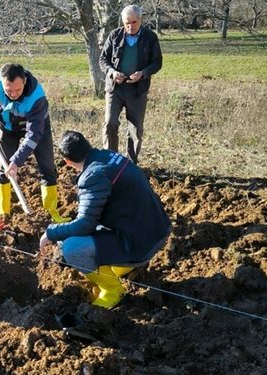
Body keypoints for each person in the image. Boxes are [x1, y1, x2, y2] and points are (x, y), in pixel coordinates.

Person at [39, 131, 171, 309]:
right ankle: (116, 270)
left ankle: (112, 290)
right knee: (80, 234)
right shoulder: (110, 156)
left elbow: (85, 224)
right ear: (88, 145)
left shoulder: (92, 177)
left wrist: (51, 232)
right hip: (156, 228)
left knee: (71, 248)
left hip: (141, 244)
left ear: (68, 162)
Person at [0, 63, 69, 223]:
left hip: (36, 128)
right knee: (3, 168)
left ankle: (50, 215)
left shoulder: (37, 97)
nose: (13, 94)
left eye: (17, 90)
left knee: (47, 168)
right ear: (2, 83)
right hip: (8, 126)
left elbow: (33, 135)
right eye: (8, 90)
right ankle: (4, 213)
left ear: (24, 82)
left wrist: (17, 161)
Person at [99, 5, 162, 164]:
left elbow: (157, 62)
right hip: (115, 88)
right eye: (127, 22)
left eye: (134, 22)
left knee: (135, 129)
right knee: (110, 123)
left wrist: (143, 73)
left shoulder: (150, 37)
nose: (130, 26)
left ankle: (130, 164)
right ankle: (111, 160)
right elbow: (103, 60)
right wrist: (113, 72)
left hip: (138, 90)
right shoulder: (114, 35)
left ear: (140, 20)